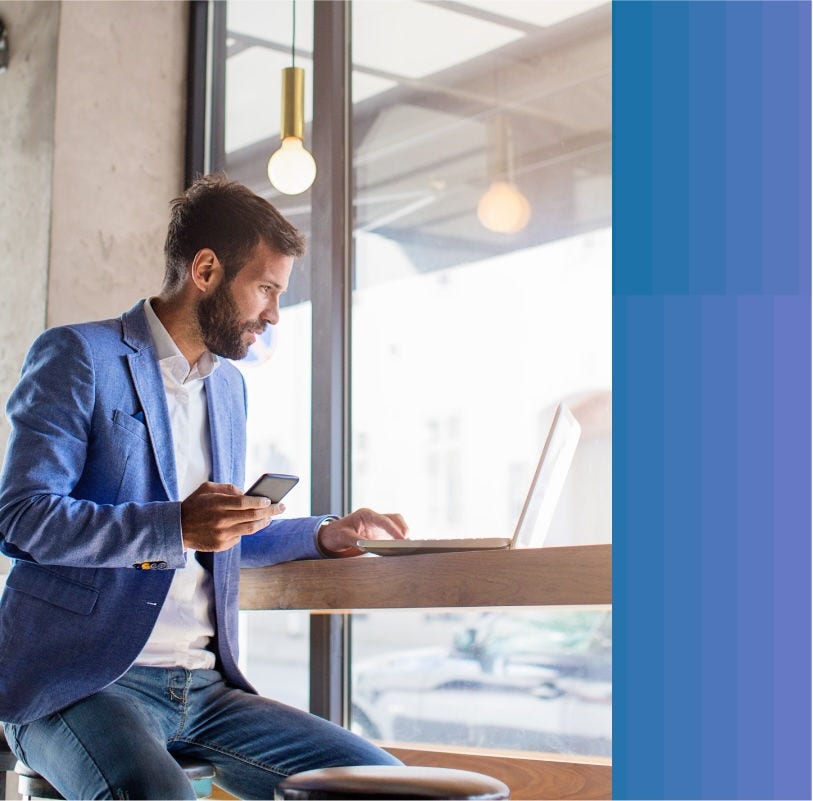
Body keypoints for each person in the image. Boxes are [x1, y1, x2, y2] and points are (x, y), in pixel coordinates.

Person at [0, 175, 407, 800]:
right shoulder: (78, 356)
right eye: (266, 288)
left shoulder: (227, 387)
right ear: (207, 269)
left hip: (206, 690)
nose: (273, 313)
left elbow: (223, 537)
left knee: (386, 786)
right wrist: (175, 525)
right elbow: (24, 519)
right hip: (79, 681)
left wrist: (326, 533)